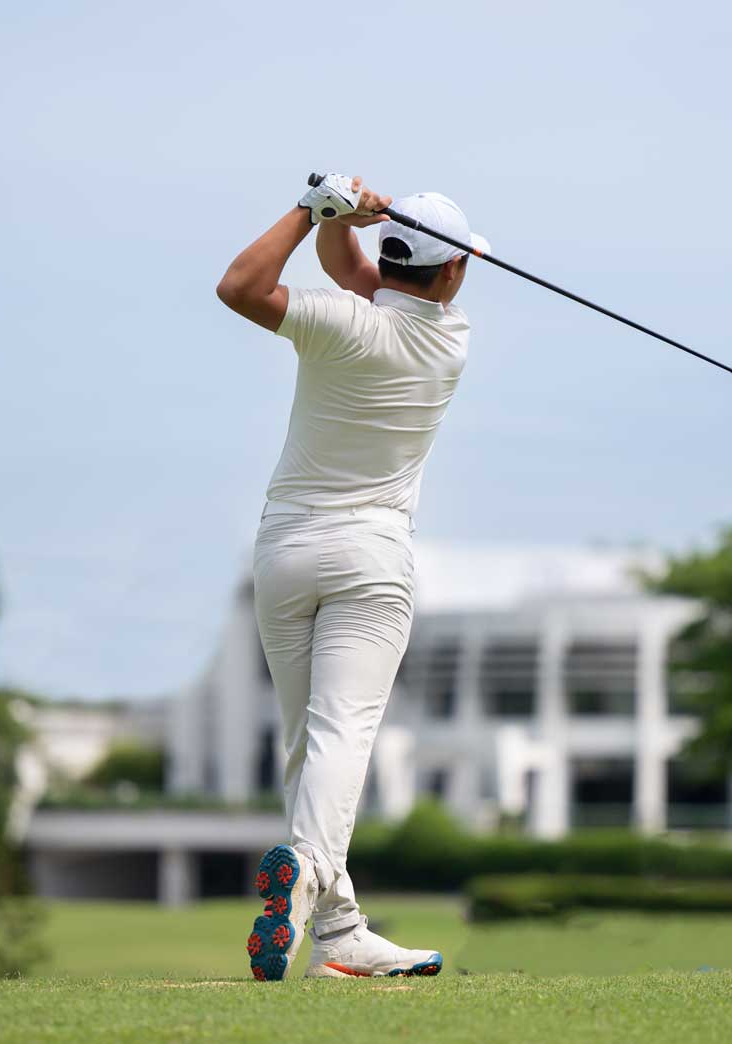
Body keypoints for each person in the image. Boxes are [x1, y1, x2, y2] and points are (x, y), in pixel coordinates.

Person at [215, 174, 485, 981]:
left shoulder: (337, 324)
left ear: (392, 253)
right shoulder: (449, 339)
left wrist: (316, 211)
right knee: (340, 736)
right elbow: (364, 278)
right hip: (369, 557)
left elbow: (243, 287)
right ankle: (305, 879)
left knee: (307, 744)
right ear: (452, 273)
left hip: (284, 550)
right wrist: (338, 220)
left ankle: (340, 934)